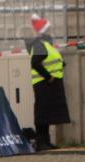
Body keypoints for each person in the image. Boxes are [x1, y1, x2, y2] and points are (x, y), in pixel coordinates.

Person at [28, 14, 70, 150]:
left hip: (49, 84)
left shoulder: (47, 45)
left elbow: (54, 61)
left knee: (47, 114)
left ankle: (46, 141)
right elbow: (35, 63)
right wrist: (48, 77)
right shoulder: (40, 45)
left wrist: (61, 64)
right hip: (44, 84)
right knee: (42, 114)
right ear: (44, 30)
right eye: (49, 28)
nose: (51, 30)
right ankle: (41, 142)